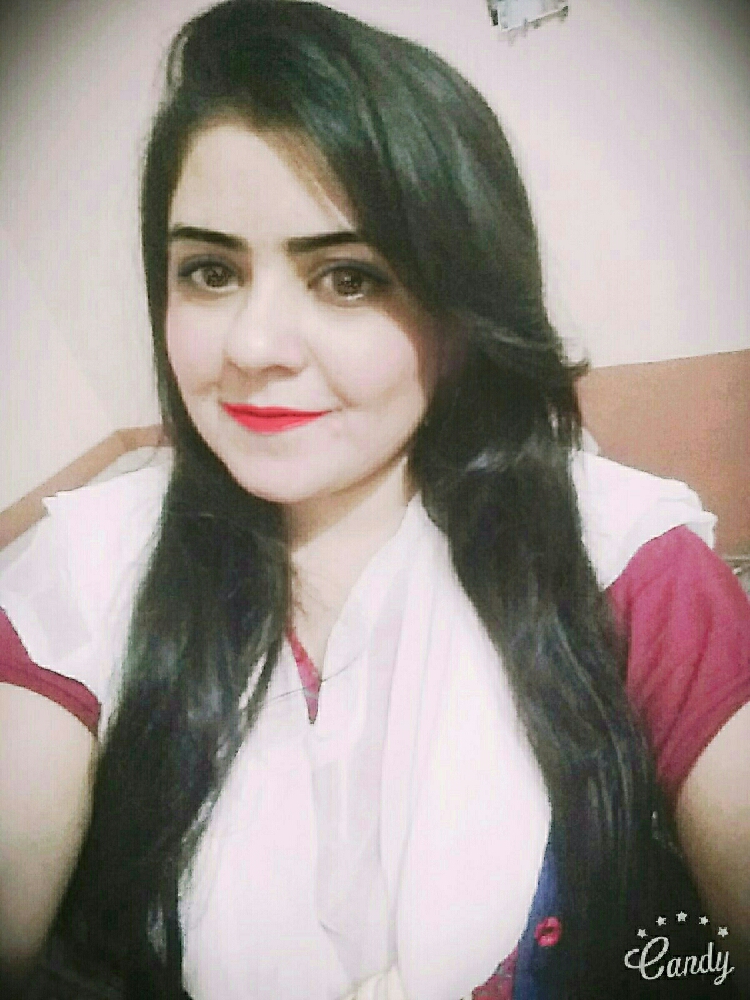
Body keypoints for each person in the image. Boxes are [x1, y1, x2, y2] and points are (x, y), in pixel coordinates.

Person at [0, 2, 748, 998]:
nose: (253, 345)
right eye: (210, 271)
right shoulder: (89, 569)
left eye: (348, 278)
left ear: (460, 309)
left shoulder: (626, 560)